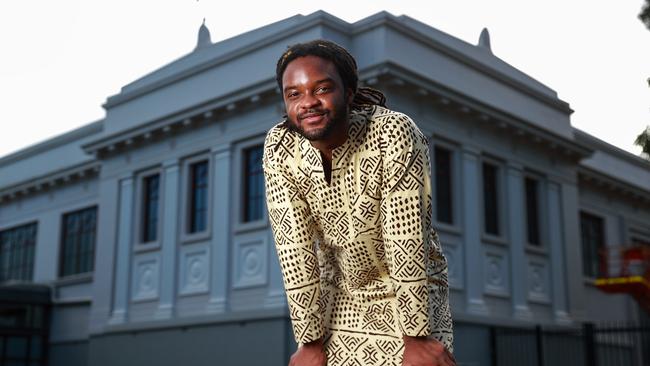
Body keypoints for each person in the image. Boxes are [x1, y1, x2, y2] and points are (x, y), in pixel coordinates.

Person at [263, 39, 455, 366]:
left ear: (348, 93)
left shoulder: (392, 132)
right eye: (294, 93)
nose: (307, 102)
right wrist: (308, 341)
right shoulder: (279, 148)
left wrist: (417, 336)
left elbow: (406, 236)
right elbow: (294, 249)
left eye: (321, 89)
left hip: (406, 291)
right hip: (337, 294)